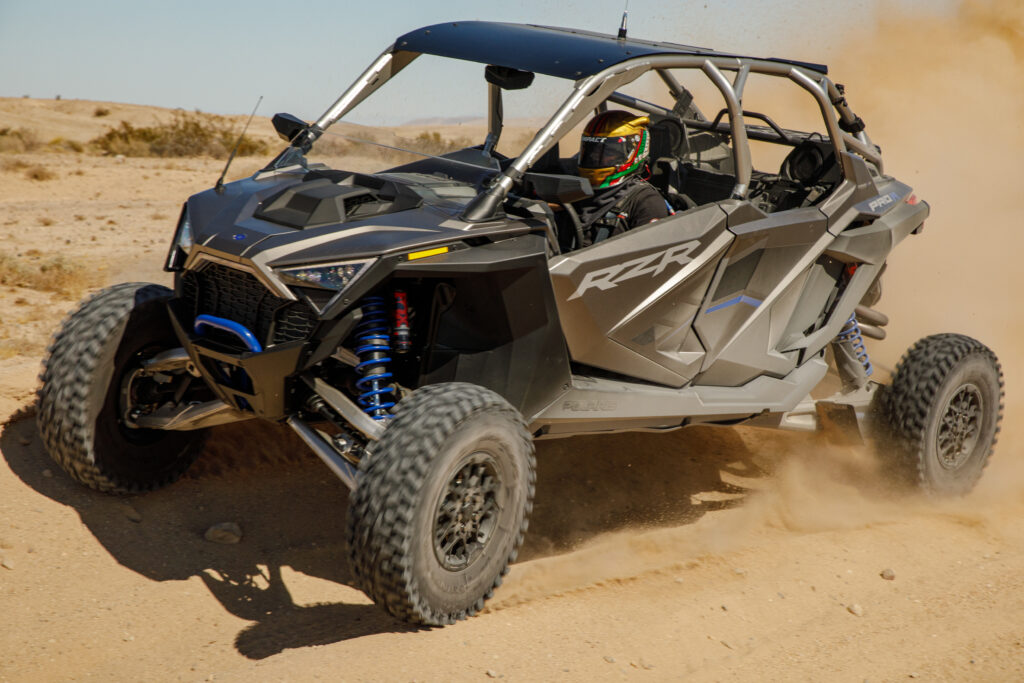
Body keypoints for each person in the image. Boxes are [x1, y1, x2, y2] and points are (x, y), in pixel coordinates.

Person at [560, 110, 669, 250]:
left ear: (634, 152)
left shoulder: (646, 200)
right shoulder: (573, 191)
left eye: (609, 153)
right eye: (593, 151)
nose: (596, 158)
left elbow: (650, 259)